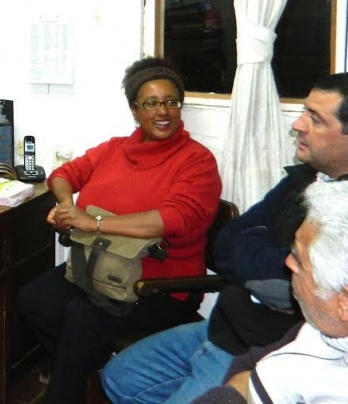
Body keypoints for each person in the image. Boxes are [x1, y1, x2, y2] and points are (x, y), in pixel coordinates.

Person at [102, 73, 348, 403]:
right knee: (119, 378)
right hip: (222, 326)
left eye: (315, 119)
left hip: (261, 346)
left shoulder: (347, 212)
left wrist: (256, 248)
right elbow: (224, 243)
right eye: (304, 112)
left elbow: (288, 286)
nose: (298, 125)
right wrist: (265, 257)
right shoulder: (304, 179)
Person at [16, 57, 222, 403]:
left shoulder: (196, 160)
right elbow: (63, 175)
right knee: (34, 299)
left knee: (82, 316)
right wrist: (66, 206)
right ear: (134, 111)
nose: (163, 111)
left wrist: (92, 222)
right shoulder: (115, 149)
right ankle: (93, 373)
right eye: (151, 103)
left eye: (171, 102)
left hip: (161, 283)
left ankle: (64, 393)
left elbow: (173, 218)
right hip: (97, 266)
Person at [194, 181, 348, 403]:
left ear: (346, 303)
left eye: (297, 258)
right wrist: (245, 384)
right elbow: (251, 362)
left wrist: (243, 387)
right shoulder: (324, 324)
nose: (286, 262)